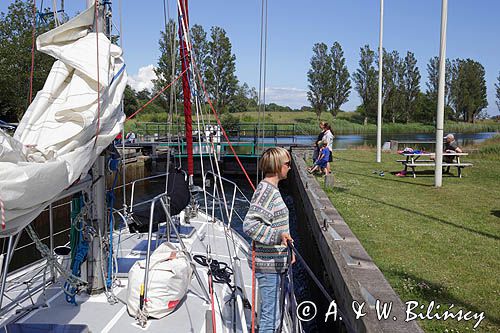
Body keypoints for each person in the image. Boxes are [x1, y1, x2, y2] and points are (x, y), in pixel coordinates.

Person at [243, 147, 294, 333]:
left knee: (274, 316)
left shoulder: (271, 189)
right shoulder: (266, 191)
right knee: (270, 319)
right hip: (268, 266)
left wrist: (288, 252)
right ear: (278, 166)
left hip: (275, 262)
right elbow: (250, 225)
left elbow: (277, 225)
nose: (290, 167)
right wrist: (278, 237)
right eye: (288, 164)